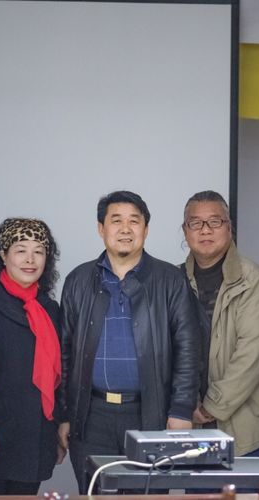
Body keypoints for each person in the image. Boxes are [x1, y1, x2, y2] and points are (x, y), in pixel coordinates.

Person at [58, 190, 199, 493]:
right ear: (101, 228)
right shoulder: (78, 280)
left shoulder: (170, 280)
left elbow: (187, 349)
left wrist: (181, 410)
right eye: (116, 220)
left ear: (145, 229)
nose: (125, 229)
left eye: (134, 221)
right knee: (95, 494)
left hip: (150, 414)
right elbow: (64, 353)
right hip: (91, 416)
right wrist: (65, 414)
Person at [0, 218, 64, 494]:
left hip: (35, 437)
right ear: (3, 255)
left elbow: (58, 375)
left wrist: (57, 427)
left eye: (38, 251)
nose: (30, 260)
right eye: (21, 250)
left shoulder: (48, 308)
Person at [181, 190, 259, 457]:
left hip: (244, 432)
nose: (205, 230)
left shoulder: (252, 279)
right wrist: (182, 405)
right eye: (195, 223)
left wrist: (212, 406)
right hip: (188, 429)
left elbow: (253, 354)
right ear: (185, 231)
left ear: (229, 227)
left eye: (215, 221)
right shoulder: (174, 281)